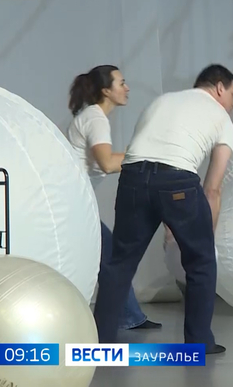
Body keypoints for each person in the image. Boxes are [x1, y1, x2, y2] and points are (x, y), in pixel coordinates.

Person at [92, 64, 233, 354]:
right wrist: (202, 236)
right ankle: (199, 343)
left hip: (132, 178)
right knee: (201, 263)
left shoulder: (162, 101)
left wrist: (171, 218)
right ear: (220, 88)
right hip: (178, 181)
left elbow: (148, 158)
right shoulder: (221, 117)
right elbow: (212, 189)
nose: (232, 103)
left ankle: (100, 341)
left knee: (120, 263)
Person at [66, 64, 162, 331]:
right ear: (106, 91)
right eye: (121, 83)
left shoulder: (93, 116)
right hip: (73, 204)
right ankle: (128, 316)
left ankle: (130, 315)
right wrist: (141, 155)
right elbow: (107, 163)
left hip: (75, 202)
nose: (127, 88)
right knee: (112, 259)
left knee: (111, 258)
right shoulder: (96, 118)